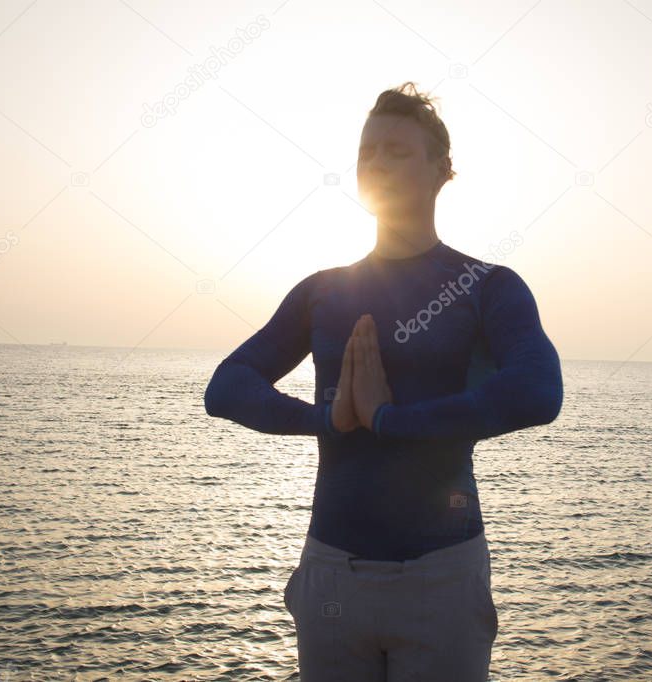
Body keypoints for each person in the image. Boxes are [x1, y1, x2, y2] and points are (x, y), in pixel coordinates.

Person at [204, 81, 563, 682]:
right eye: (367, 151)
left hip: (442, 576)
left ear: (442, 170)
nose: (374, 162)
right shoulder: (323, 291)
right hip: (332, 571)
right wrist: (329, 418)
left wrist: (389, 420)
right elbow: (227, 386)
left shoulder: (486, 287)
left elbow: (537, 391)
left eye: (396, 150)